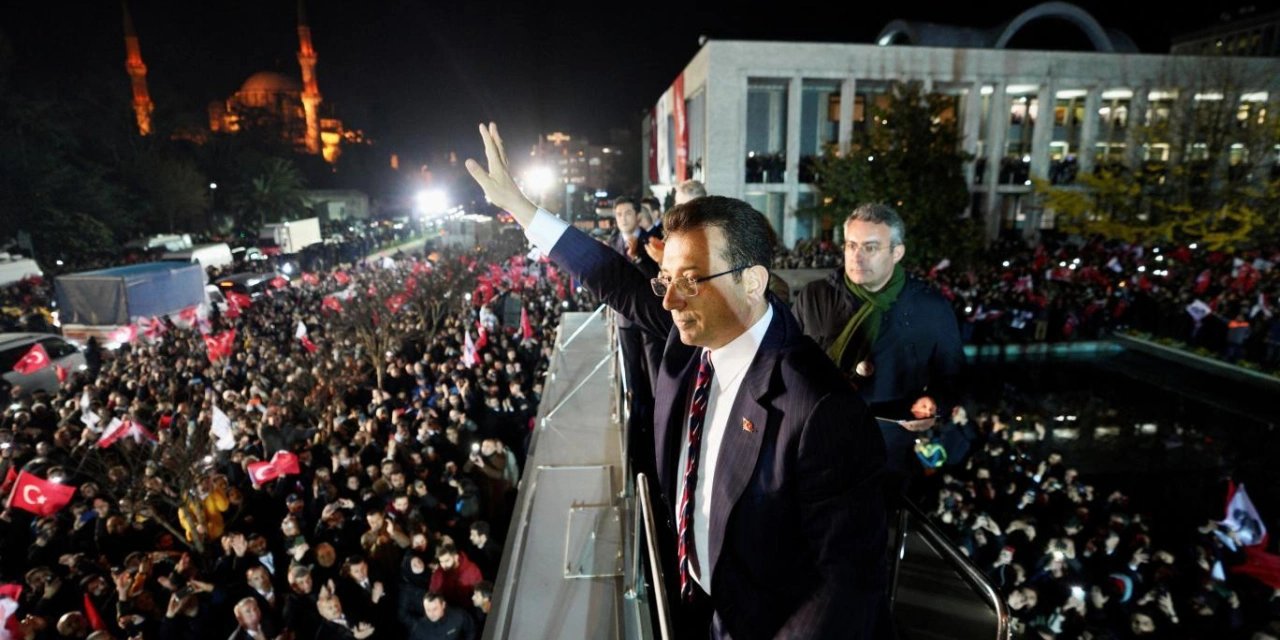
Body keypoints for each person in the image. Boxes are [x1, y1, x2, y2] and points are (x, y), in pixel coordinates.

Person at [466, 122, 888, 639]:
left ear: (751, 281)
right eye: (667, 279)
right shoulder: (692, 329)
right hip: (687, 600)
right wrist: (522, 208)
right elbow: (615, 278)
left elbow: (844, 587)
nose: (667, 301)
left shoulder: (821, 408)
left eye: (690, 281)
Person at [791, 204, 963, 494]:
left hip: (887, 457)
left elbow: (953, 375)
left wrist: (933, 405)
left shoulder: (930, 308)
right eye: (851, 245)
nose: (857, 257)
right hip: (817, 448)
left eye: (870, 248)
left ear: (897, 253)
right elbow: (787, 361)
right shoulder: (814, 297)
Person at [409, 592, 476, 640]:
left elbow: (471, 630)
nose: (431, 613)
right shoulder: (419, 627)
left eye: (435, 609)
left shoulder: (458, 616)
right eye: (428, 610)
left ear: (443, 605)